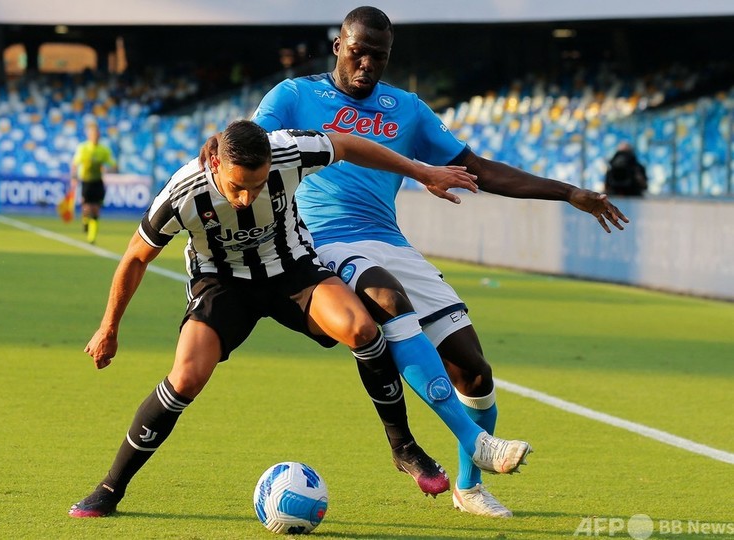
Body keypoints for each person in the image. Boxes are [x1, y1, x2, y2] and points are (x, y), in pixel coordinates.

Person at [245, 6, 629, 518]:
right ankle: (475, 441)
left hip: (391, 242)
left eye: (379, 56)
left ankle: (469, 489)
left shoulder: (405, 108)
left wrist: (568, 192)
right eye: (358, 52)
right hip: (323, 240)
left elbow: (478, 169)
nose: (367, 64)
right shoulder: (294, 96)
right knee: (385, 297)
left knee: (474, 371)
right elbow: (249, 145)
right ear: (338, 46)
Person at [68, 120, 532, 518]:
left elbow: (348, 145)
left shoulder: (290, 150)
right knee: (186, 377)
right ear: (214, 164)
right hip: (222, 283)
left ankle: (403, 447)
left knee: (362, 329)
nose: (247, 197)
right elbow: (135, 257)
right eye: (237, 187)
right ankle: (111, 487)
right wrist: (109, 327)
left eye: (257, 185)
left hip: (291, 269)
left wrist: (421, 171)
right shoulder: (183, 191)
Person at [70, 123, 117, 243]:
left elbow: (112, 165)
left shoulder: (103, 150)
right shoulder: (83, 148)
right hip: (86, 181)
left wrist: (109, 169)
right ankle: (85, 221)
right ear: (89, 135)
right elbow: (75, 163)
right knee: (86, 207)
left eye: (97, 134)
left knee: (95, 209)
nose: (95, 136)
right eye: (93, 134)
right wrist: (74, 177)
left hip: (97, 181)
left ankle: (92, 237)